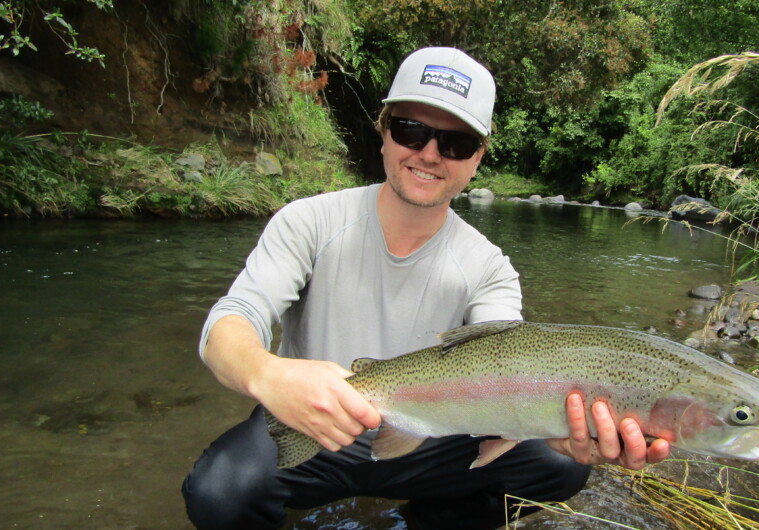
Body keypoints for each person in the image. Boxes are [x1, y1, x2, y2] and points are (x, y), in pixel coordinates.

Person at [181, 47, 671, 530]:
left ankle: (435, 521)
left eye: (455, 143)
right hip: (315, 420)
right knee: (220, 492)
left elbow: (515, 370)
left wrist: (556, 429)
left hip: (432, 438)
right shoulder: (309, 221)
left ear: (477, 158)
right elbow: (231, 322)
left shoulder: (489, 268)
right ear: (383, 130)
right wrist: (268, 375)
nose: (430, 154)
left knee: (559, 465)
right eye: (411, 130)